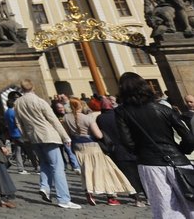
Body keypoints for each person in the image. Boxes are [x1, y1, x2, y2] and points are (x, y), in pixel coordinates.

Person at [115, 72, 194, 218]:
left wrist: (140, 153)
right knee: (191, 203)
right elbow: (189, 138)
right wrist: (180, 150)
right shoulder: (164, 108)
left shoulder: (122, 112)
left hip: (149, 163)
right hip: (178, 160)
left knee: (164, 207)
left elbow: (127, 142)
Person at [13, 79, 80, 209]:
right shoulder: (39, 101)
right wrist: (65, 137)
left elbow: (18, 123)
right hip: (48, 136)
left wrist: (26, 136)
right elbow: (54, 120)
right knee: (57, 167)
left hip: (33, 138)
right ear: (33, 87)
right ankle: (64, 199)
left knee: (44, 163)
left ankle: (44, 187)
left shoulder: (17, 103)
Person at [63, 96, 135, 206]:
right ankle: (111, 197)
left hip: (78, 147)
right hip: (92, 147)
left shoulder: (66, 118)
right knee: (104, 171)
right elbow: (99, 135)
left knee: (86, 171)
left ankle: (89, 191)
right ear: (80, 106)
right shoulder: (87, 118)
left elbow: (67, 133)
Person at [95, 96, 146, 207]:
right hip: (130, 147)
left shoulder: (100, 118)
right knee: (141, 173)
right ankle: (148, 196)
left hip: (115, 150)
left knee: (129, 176)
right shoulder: (120, 114)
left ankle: (137, 199)